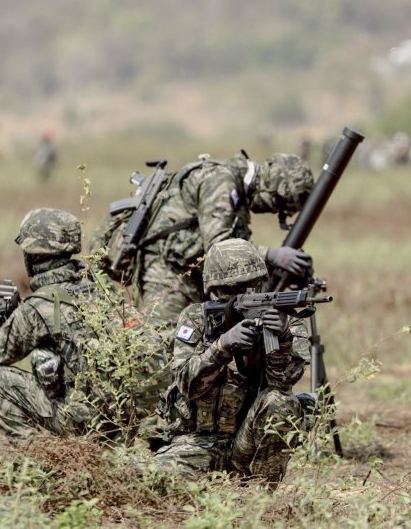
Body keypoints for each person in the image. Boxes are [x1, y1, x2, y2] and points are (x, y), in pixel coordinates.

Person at [0, 208, 106, 443]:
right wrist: (14, 318)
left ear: (32, 256)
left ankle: (42, 455)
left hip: (80, 423)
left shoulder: (39, 306)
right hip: (115, 421)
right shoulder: (99, 290)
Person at [154, 239, 310, 486]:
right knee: (147, 479)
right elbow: (186, 385)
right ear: (213, 290)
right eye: (230, 289)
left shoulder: (285, 319)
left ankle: (260, 494)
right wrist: (221, 347)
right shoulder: (195, 318)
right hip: (198, 442)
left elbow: (283, 383)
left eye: (250, 287)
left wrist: (282, 339)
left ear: (260, 283)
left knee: (281, 402)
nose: (241, 296)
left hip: (247, 441)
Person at [129, 152, 315, 328]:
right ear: (275, 184)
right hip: (168, 277)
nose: (273, 211)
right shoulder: (222, 180)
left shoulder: (237, 194)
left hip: (190, 278)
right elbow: (218, 246)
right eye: (277, 204)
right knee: (163, 346)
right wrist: (273, 255)